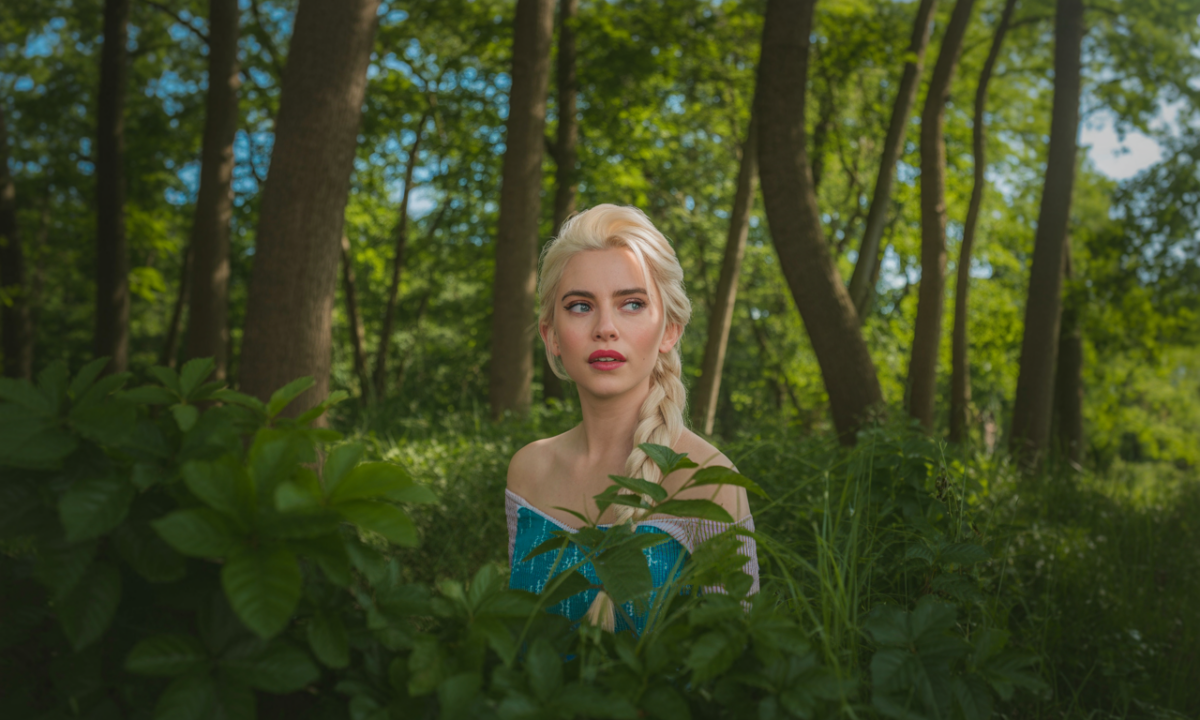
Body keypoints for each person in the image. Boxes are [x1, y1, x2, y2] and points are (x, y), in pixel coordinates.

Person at [505, 204, 759, 635]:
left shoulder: (708, 478)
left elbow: (739, 660)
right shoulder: (528, 471)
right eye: (581, 306)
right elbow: (515, 635)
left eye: (632, 304)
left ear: (670, 329)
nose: (605, 327)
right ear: (551, 335)